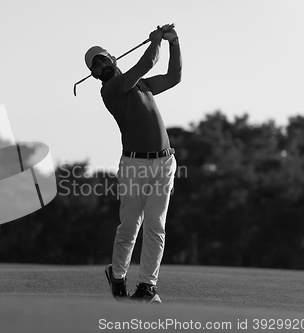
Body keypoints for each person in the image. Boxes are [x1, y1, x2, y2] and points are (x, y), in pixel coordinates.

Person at [84, 24, 181, 303]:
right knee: (130, 226)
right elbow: (147, 62)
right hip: (134, 165)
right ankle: (117, 276)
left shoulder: (141, 85)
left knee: (156, 225)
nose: (101, 65)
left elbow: (174, 77)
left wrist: (173, 42)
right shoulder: (111, 89)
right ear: (94, 75)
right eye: (95, 64)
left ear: (113, 59)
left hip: (165, 163)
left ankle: (147, 288)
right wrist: (155, 42)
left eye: (103, 58)